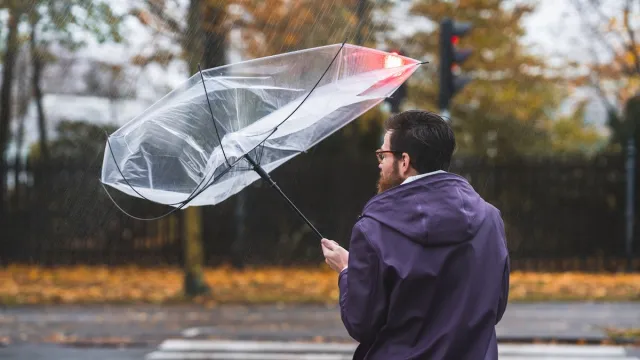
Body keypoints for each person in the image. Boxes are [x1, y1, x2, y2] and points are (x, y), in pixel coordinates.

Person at [321, 110, 510, 360]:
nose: (379, 162)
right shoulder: (490, 219)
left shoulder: (375, 229)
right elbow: (494, 308)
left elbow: (361, 323)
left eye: (383, 155)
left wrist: (347, 271)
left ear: (404, 161)